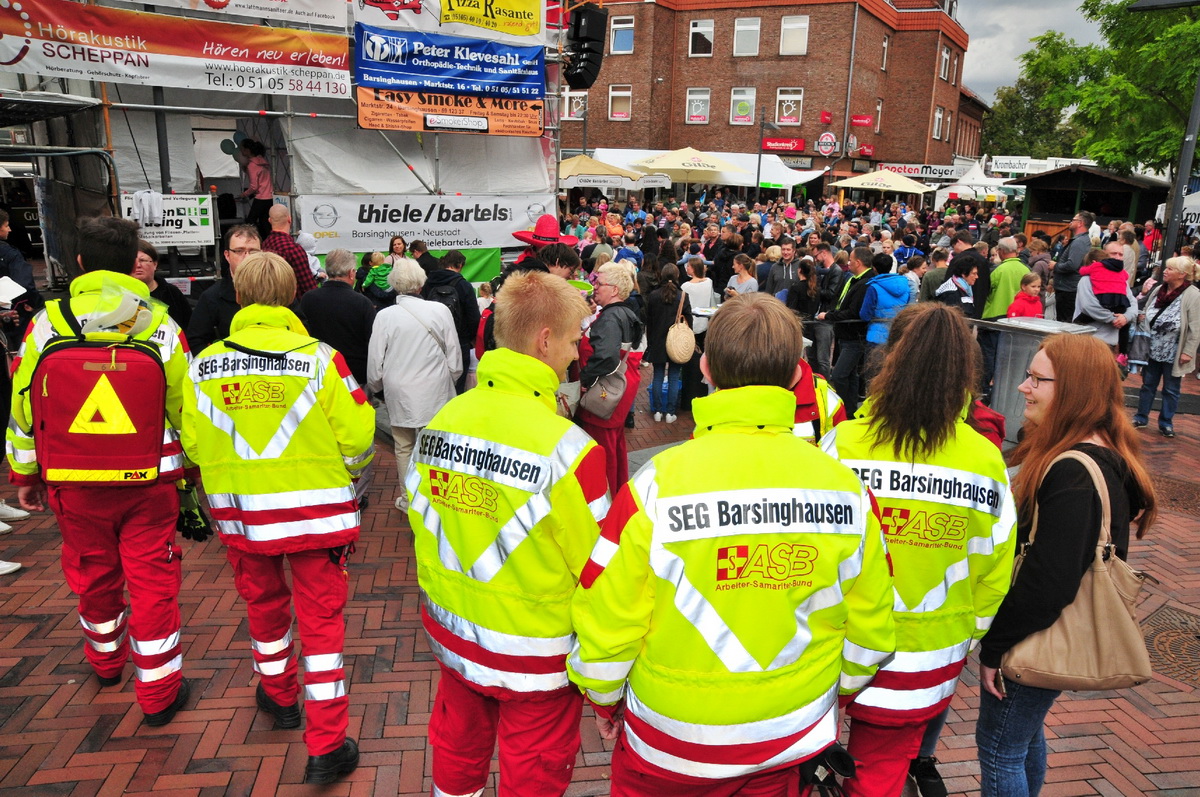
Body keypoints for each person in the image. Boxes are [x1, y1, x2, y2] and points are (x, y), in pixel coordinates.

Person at [568, 292, 896, 794]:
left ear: (704, 366)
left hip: (670, 738)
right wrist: (837, 694)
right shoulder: (847, 491)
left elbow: (609, 611)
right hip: (789, 734)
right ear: (794, 376)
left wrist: (604, 698)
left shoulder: (656, 485)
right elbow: (872, 625)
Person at [406, 270, 607, 797]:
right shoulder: (570, 450)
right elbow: (600, 569)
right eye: (571, 339)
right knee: (534, 772)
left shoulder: (445, 419)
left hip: (454, 634)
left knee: (456, 748)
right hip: (535, 658)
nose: (575, 352)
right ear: (544, 340)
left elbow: (420, 516)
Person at [181, 251, 374, 785]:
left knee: (265, 611)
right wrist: (351, 480)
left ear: (238, 298)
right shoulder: (321, 359)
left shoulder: (204, 366)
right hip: (316, 518)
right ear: (293, 297)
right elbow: (358, 437)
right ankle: (327, 744)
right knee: (322, 627)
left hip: (243, 519)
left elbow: (194, 444)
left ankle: (279, 696)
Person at [822, 303, 1016, 797]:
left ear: (890, 361)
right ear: (968, 374)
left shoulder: (844, 443)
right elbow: (994, 569)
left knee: (800, 761)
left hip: (833, 642)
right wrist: (965, 634)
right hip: (929, 650)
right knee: (882, 773)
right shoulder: (983, 458)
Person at [8, 216, 192, 724]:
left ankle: (106, 662)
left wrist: (24, 472)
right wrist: (194, 472)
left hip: (73, 479)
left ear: (81, 263)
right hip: (148, 481)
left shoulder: (47, 323)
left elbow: (23, 404)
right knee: (153, 582)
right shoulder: (158, 323)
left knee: (92, 572)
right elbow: (185, 407)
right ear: (134, 262)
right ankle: (158, 694)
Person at [976, 334, 1157, 797]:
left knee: (1000, 748)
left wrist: (995, 648)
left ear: (1074, 389)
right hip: (1043, 630)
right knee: (1021, 737)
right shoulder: (1099, 453)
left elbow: (1050, 579)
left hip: (1036, 635)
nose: (1023, 387)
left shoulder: (1073, 469)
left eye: (1038, 379)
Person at [367, 258, 462, 510]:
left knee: (404, 446)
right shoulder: (440, 311)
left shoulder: (384, 316)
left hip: (399, 390)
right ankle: (437, 501)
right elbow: (454, 358)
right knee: (437, 448)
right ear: (421, 283)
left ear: (394, 284)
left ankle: (409, 499)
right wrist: (447, 380)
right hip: (436, 388)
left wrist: (377, 387)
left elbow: (375, 362)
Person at [577, 262, 643, 491]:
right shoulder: (625, 313)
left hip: (603, 394)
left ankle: (604, 500)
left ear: (614, 289)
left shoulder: (610, 318)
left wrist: (584, 381)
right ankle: (616, 495)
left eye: (600, 282)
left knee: (600, 450)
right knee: (614, 446)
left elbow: (606, 356)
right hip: (618, 392)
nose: (595, 286)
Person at [1133, 256, 1200, 437]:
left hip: (1174, 351)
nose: (1165, 271)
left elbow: (1196, 327)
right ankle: (1141, 417)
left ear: (1182, 274)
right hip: (1152, 348)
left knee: (1171, 389)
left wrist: (1188, 352)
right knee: (1148, 385)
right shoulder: (1158, 290)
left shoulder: (1193, 295)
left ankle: (1166, 422)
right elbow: (1147, 309)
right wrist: (1142, 317)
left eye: (1170, 269)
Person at [299, 248, 377, 386]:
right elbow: (372, 342)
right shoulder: (362, 303)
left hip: (318, 373)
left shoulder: (308, 299)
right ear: (351, 273)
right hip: (355, 376)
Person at [819, 246, 874, 418]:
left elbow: (853, 312)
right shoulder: (855, 280)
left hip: (854, 336)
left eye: (850, 260)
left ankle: (845, 408)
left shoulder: (865, 283)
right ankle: (849, 411)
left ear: (858, 262)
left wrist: (829, 315)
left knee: (839, 374)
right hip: (847, 334)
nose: (848, 263)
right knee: (850, 374)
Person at [187, 225, 260, 351]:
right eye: (239, 251)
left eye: (253, 251)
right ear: (227, 255)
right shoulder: (211, 297)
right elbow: (195, 341)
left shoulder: (278, 291)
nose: (247, 257)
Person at [422, 249, 482, 394]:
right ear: (460, 265)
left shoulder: (428, 283)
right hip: (459, 342)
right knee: (458, 388)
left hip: (432, 342)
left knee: (434, 388)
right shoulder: (464, 286)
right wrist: (471, 339)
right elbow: (473, 317)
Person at [643, 263, 692, 424]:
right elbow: (689, 320)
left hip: (657, 340)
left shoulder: (654, 295)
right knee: (673, 377)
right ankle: (670, 412)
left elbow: (648, 321)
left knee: (657, 375)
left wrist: (650, 342)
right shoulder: (682, 295)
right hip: (676, 342)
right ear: (677, 276)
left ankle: (657, 410)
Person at [1073, 241, 1137, 350]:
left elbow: (1132, 303)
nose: (1117, 257)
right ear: (1104, 255)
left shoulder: (1122, 280)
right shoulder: (1087, 279)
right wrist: (1113, 319)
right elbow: (1088, 306)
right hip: (1088, 339)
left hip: (1110, 342)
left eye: (1120, 254)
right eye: (1113, 253)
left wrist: (1126, 317)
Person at [0, 208, 43, 350]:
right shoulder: (11, 254)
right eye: (6, 226)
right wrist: (33, 301)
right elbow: (24, 284)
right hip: (12, 315)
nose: (10, 229)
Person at [262, 205, 319, 302]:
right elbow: (308, 287)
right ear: (289, 219)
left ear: (269, 220)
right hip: (292, 305)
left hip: (268, 300)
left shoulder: (264, 245)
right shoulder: (293, 249)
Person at [679, 257, 715, 411]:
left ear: (693, 268)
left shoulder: (685, 286)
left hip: (690, 326)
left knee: (688, 358)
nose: (686, 268)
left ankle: (689, 390)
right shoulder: (709, 282)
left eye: (688, 266)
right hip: (705, 324)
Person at [134, 240, 192, 330]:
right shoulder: (119, 294)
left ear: (155, 264)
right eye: (132, 261)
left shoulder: (172, 293)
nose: (138, 265)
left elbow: (189, 326)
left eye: (142, 260)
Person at [859, 252, 911, 352]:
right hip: (897, 333)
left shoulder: (873, 287)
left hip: (876, 336)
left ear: (874, 268)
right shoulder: (905, 284)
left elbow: (865, 315)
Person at [1053, 212, 1094, 322]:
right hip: (1068, 288)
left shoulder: (1079, 242)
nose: (1070, 222)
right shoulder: (1081, 240)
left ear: (1080, 223)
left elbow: (1072, 265)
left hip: (1068, 290)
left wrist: (1055, 266)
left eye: (1073, 219)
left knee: (1064, 322)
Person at [239, 139, 272, 240]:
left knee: (250, 221)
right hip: (270, 196)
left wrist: (244, 194)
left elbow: (254, 186)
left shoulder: (252, 165)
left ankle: (253, 241)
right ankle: (269, 242)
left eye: (243, 150)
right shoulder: (263, 162)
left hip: (261, 197)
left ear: (247, 150)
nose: (241, 152)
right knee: (265, 222)